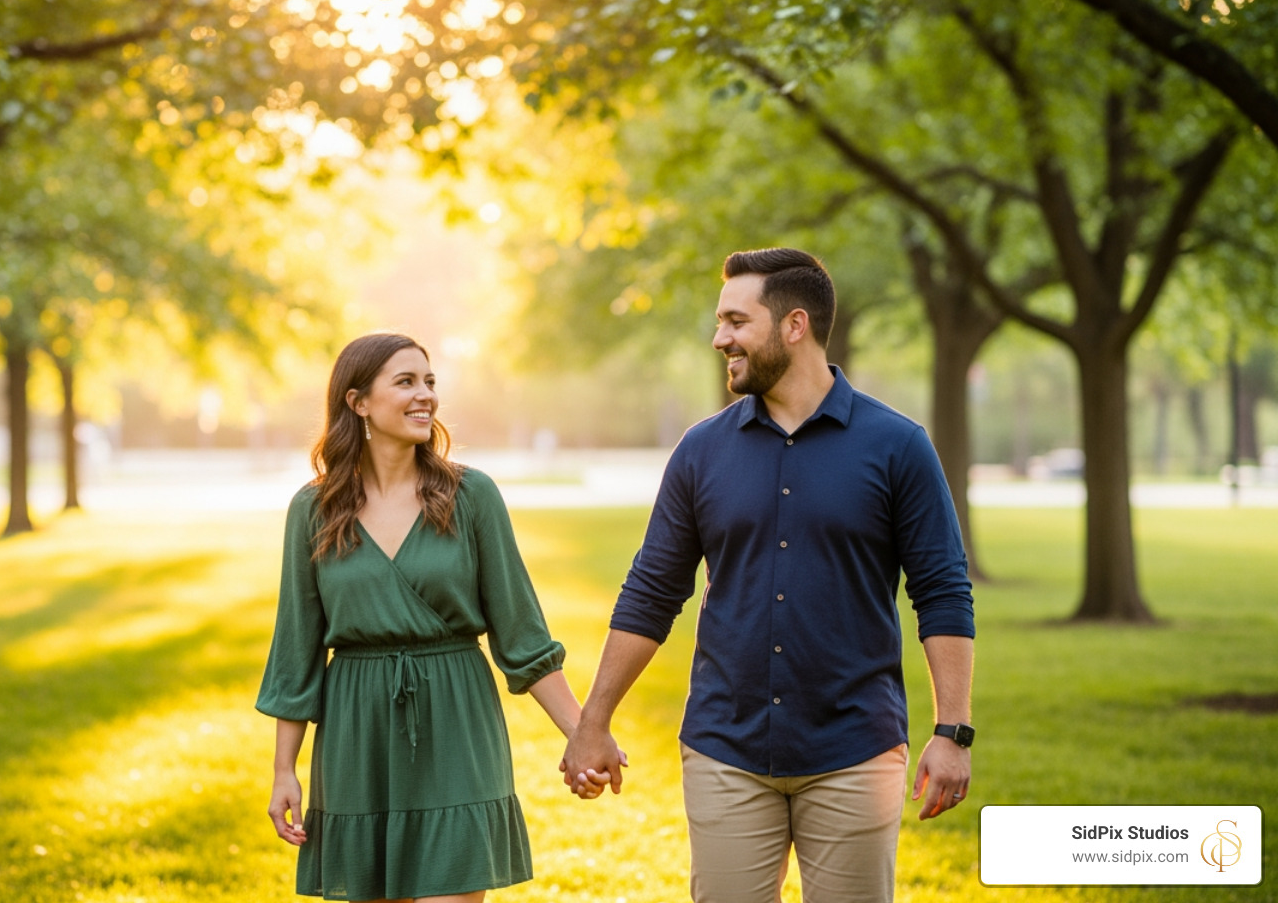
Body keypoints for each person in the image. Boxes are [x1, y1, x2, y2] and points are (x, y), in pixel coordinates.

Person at [562, 248, 976, 903]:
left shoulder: (898, 447)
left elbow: (944, 592)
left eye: (735, 320)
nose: (718, 337)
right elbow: (651, 592)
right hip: (725, 749)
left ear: (794, 325)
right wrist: (595, 718)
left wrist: (952, 732)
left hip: (855, 748)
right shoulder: (701, 450)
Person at [258, 332, 609, 903]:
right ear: (358, 402)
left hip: (456, 722)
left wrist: (583, 734)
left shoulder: (472, 496)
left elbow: (523, 638)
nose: (425, 395)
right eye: (405, 382)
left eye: (429, 382)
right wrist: (283, 771)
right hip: (356, 731)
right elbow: (295, 653)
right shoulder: (313, 510)